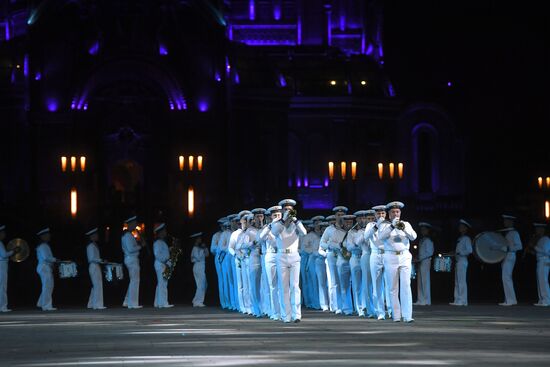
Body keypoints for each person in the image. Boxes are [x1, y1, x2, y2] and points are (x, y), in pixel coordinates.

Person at [378, 201, 417, 323]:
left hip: (404, 256)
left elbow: (413, 237)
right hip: (390, 257)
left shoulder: (406, 224)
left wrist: (403, 228)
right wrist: (392, 226)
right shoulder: (384, 225)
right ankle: (396, 315)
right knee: (393, 287)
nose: (396, 214)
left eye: (398, 212)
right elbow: (381, 237)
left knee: (406, 285)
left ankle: (407, 315)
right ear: (389, 214)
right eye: (393, 212)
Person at [271, 199, 307, 323]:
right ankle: (286, 315)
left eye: (290, 210)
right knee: (284, 287)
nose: (288, 212)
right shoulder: (277, 224)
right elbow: (274, 232)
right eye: (285, 210)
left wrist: (295, 220)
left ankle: (297, 315)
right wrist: (283, 220)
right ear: (282, 211)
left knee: (295, 286)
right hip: (281, 256)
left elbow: (304, 232)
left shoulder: (296, 224)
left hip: (294, 256)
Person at [319, 206, 348, 314]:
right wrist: (331, 246)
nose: (340, 217)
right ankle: (336, 306)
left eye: (342, 215)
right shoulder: (329, 229)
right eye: (338, 215)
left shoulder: (347, 228)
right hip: (332, 255)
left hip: (344, 255)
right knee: (334, 282)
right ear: (335, 216)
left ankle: (346, 306)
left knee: (344, 282)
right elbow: (322, 243)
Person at [365, 205, 391, 320]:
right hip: (375, 254)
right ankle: (380, 312)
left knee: (390, 284)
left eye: (383, 214)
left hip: (387, 253)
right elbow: (366, 237)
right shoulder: (370, 225)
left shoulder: (389, 225)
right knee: (377, 285)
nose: (381, 216)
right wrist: (376, 226)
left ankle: (391, 311)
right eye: (378, 214)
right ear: (375, 215)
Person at [259, 206, 282, 320]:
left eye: (279, 215)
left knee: (283, 286)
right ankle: (274, 311)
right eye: (274, 215)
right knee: (273, 286)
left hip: (282, 255)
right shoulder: (267, 228)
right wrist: (270, 227)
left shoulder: (285, 227)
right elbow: (261, 237)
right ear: (270, 217)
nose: (277, 217)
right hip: (270, 255)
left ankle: (283, 311)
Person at [302, 216, 325, 310]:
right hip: (312, 259)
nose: (318, 225)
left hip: (322, 259)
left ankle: (322, 302)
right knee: (313, 282)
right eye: (316, 223)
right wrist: (314, 251)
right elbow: (304, 248)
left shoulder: (323, 234)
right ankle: (314, 302)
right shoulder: (309, 235)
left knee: (322, 282)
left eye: (320, 223)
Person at [499, 214, 522, 306]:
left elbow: (519, 246)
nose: (504, 222)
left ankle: (511, 300)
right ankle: (508, 299)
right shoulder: (508, 232)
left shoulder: (514, 233)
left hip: (510, 255)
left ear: (510, 221)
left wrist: (508, 248)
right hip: (505, 256)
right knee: (505, 278)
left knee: (506, 277)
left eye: (506, 220)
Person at [450, 219, 473, 306]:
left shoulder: (466, 238)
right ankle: (457, 299)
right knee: (457, 281)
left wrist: (460, 253)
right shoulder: (460, 238)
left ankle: (463, 300)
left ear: (466, 228)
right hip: (458, 260)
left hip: (463, 260)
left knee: (461, 281)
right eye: (460, 226)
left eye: (462, 227)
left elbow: (470, 250)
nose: (460, 228)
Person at [122, 216, 142, 309]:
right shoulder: (128, 236)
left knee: (133, 280)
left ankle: (127, 301)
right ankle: (133, 303)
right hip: (131, 259)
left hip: (131, 259)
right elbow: (130, 249)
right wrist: (140, 246)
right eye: (134, 224)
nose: (135, 225)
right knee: (135, 280)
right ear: (130, 224)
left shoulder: (128, 235)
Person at [153, 223, 174, 308]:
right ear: (160, 233)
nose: (165, 232)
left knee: (161, 283)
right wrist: (166, 260)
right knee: (163, 283)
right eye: (164, 231)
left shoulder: (161, 242)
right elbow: (158, 255)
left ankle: (158, 302)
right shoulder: (158, 242)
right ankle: (163, 303)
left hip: (162, 264)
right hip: (160, 264)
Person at [36, 227, 57, 311]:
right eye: (47, 235)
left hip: (45, 267)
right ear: (43, 236)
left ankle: (41, 303)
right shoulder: (43, 245)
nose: (49, 236)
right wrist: (55, 260)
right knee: (47, 286)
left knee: (48, 286)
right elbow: (46, 257)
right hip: (44, 267)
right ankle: (46, 306)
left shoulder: (44, 245)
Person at [86, 227, 106, 310]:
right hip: (94, 266)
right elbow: (91, 258)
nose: (97, 236)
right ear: (92, 236)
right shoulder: (91, 246)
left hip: (95, 265)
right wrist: (101, 260)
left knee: (95, 285)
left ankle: (91, 303)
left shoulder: (93, 245)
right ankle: (97, 304)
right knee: (97, 285)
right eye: (96, 234)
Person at [414, 222, 434, 306]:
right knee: (420, 281)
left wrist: (419, 257)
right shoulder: (422, 240)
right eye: (422, 230)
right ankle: (420, 299)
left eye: (424, 230)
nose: (422, 231)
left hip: (425, 261)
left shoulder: (428, 240)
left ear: (428, 231)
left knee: (425, 281)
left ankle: (426, 300)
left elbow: (429, 252)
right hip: (421, 261)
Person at [532, 223, 550, 306]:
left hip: (544, 261)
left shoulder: (546, 239)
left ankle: (546, 300)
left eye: (538, 229)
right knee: (540, 281)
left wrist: (534, 247)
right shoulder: (540, 239)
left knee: (543, 281)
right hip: (540, 261)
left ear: (542, 229)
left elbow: (546, 252)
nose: (536, 230)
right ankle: (541, 300)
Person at [211, 218, 227, 308]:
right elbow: (212, 248)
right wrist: (220, 248)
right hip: (219, 257)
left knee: (228, 280)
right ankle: (223, 302)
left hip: (227, 257)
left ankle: (228, 302)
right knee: (222, 280)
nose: (223, 227)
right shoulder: (216, 235)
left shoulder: (229, 233)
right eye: (222, 225)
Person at [0, 225, 16, 312]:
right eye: (3, 233)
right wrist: (14, 251)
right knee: (2, 287)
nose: (4, 234)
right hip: (1, 265)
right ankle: (3, 307)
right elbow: (4, 255)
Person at [191, 232, 209, 307]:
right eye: (199, 238)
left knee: (204, 284)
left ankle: (196, 300)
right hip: (198, 266)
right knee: (200, 284)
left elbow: (207, 255)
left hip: (201, 266)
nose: (200, 239)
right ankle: (198, 301)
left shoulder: (200, 248)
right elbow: (198, 258)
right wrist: (202, 250)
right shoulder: (195, 248)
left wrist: (205, 248)